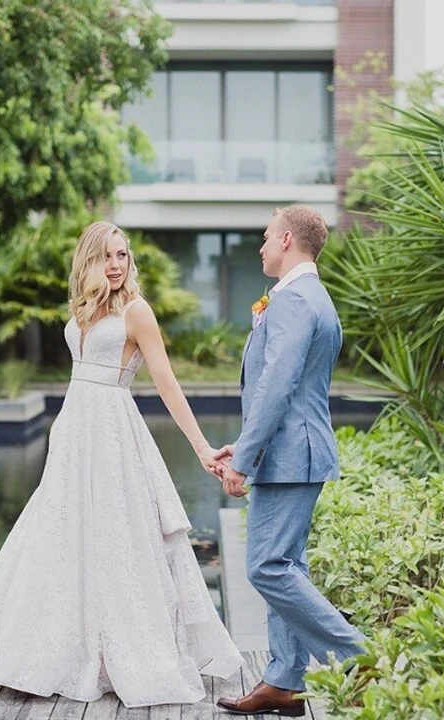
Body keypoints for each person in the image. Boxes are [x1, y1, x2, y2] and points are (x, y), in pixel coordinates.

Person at [0, 221, 243, 706]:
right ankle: (27, 647)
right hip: (74, 435)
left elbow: (167, 383)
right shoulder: (84, 308)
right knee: (58, 538)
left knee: (116, 541)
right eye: (107, 257)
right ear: (89, 261)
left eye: (122, 256)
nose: (117, 265)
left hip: (114, 435)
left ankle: (116, 653)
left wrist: (201, 448)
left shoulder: (137, 313)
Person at [214, 205, 366, 718]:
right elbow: (291, 390)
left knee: (266, 568)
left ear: (285, 240)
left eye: (264, 238)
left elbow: (275, 389)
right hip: (292, 452)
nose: (259, 247)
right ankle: (283, 680)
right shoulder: (307, 297)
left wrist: (246, 457)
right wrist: (246, 443)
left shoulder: (296, 301)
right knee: (286, 565)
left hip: (288, 457)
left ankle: (357, 657)